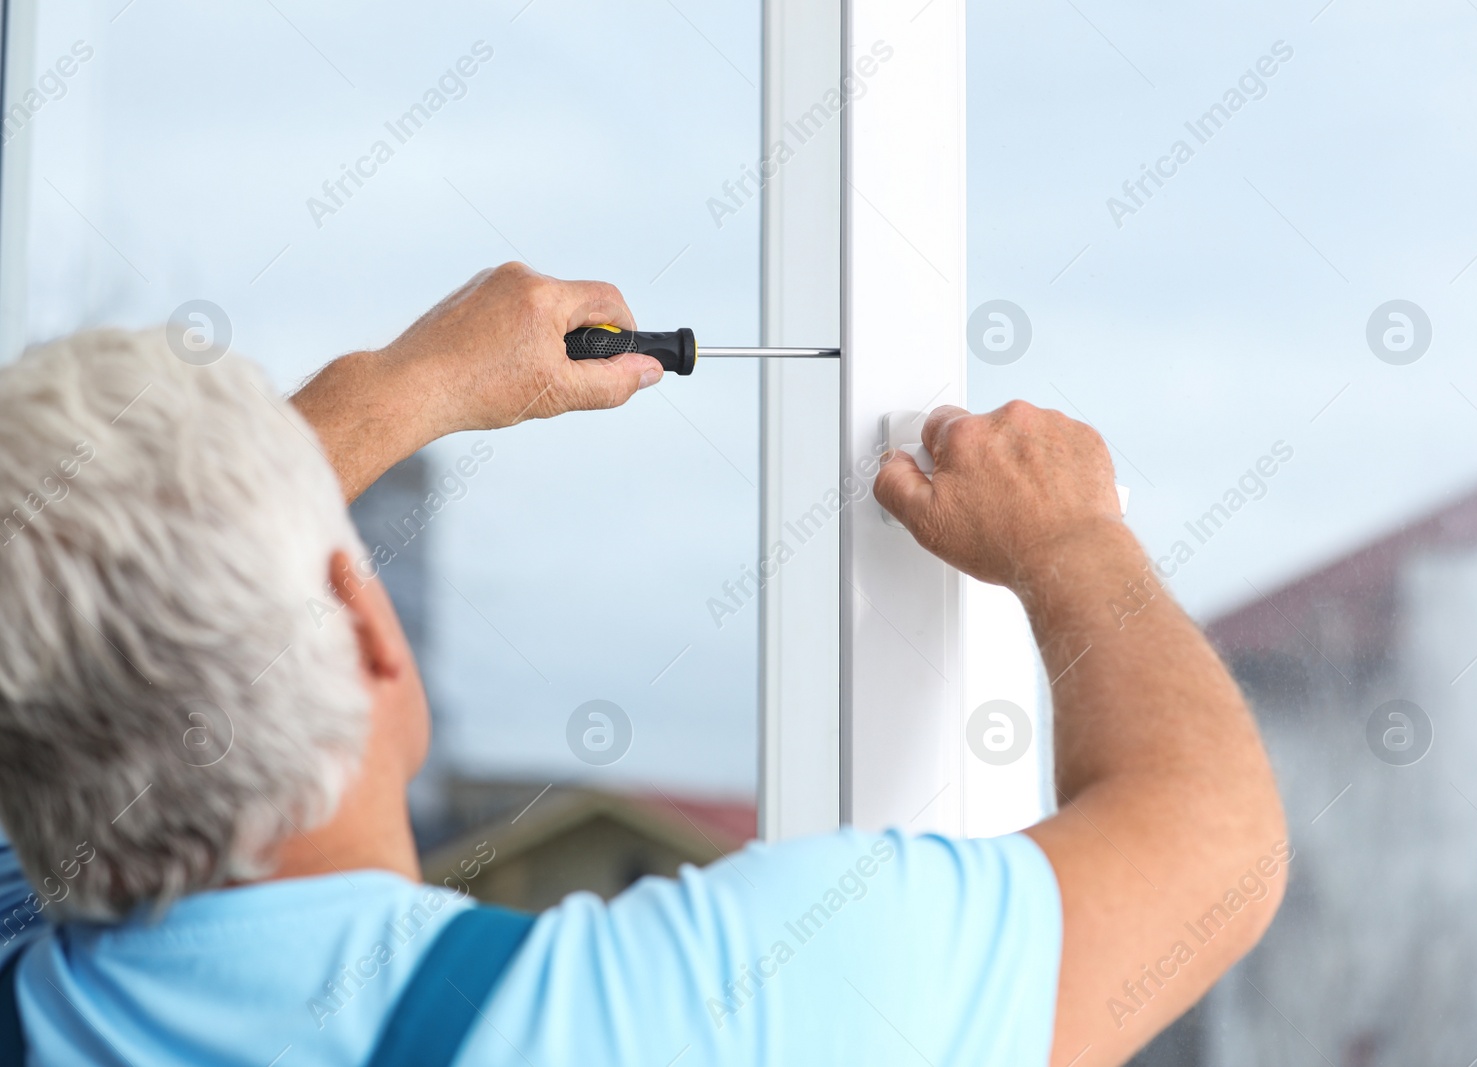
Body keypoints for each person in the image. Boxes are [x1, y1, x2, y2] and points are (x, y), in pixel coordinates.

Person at [0, 263, 1286, 1066]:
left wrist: (389, 393)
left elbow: (72, 620)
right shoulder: (657, 1021)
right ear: (362, 628)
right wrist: (1071, 537)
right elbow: (1212, 843)